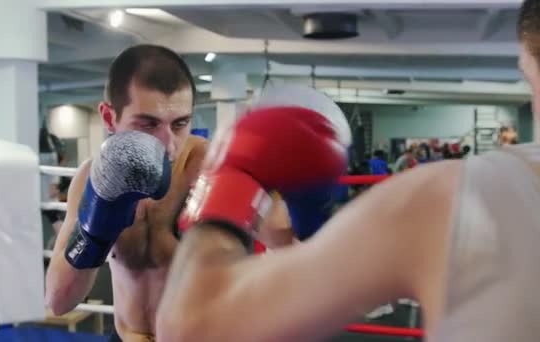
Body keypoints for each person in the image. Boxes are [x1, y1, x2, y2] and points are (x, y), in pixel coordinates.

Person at [154, 1, 540, 340]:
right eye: (148, 123)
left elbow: (191, 324)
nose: (167, 139)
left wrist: (229, 180)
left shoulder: (458, 201)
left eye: (528, 80)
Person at [44, 44, 293, 341]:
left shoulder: (214, 168)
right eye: (148, 124)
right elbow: (59, 301)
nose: (169, 144)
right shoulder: (92, 179)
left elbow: (294, 251)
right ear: (110, 118)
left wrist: (293, 200)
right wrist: (92, 233)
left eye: (180, 124)